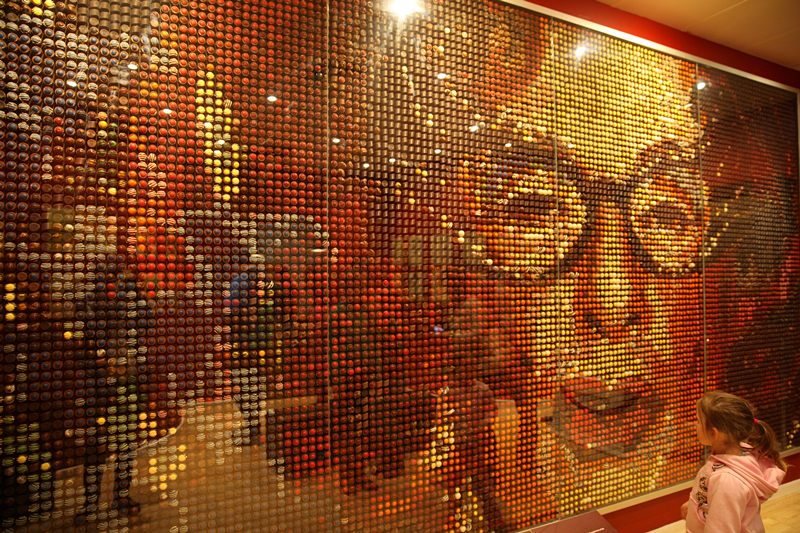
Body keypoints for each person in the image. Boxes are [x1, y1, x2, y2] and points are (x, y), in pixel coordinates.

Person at [681, 391, 786, 533]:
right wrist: (697, 505)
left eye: (698, 421)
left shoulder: (727, 481)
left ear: (714, 433)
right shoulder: (735, 454)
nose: (695, 424)